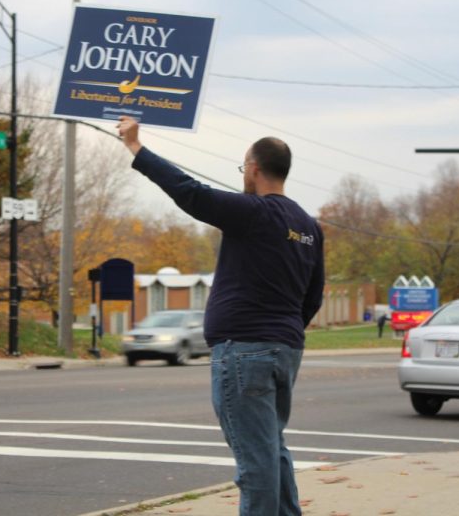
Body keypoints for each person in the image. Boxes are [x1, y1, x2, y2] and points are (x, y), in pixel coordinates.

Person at [116, 116, 324, 516]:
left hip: (244, 351)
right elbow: (313, 296)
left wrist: (135, 147)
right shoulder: (309, 226)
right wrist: (286, 329)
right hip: (285, 350)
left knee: (256, 462)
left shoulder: (254, 212)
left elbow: (189, 192)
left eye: (244, 166)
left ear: (254, 168)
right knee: (272, 448)